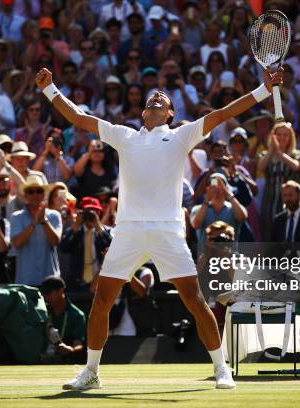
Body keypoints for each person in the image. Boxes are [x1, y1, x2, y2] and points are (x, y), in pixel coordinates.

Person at [34, 62, 282, 390]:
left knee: (194, 300)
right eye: (153, 97)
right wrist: (49, 89)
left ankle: (222, 368)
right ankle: (91, 371)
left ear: (169, 114)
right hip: (129, 231)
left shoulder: (181, 135)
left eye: (163, 99)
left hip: (167, 230)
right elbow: (79, 118)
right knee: (102, 300)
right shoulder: (123, 136)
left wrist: (265, 89)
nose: (157, 97)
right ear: (143, 114)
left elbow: (223, 112)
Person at [10, 175, 62, 286]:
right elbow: (17, 243)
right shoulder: (16, 217)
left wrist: (43, 221)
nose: (35, 195)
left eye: (39, 191)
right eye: (31, 191)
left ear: (44, 194)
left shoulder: (54, 216)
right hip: (25, 281)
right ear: (25, 195)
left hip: (50, 281)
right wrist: (34, 223)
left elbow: (55, 241)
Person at [59, 197, 112, 291]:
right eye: (87, 212)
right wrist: (76, 225)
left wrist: (98, 226)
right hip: (77, 284)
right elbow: (63, 247)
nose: (90, 215)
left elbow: (111, 248)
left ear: (99, 213)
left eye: (95, 212)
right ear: (81, 213)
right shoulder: (75, 231)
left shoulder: (105, 231)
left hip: (99, 284)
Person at [39, 276, 86, 363]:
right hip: (41, 358)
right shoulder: (41, 311)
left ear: (61, 291)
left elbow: (79, 344)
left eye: (48, 294)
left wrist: (70, 349)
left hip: (65, 360)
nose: (46, 298)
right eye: (44, 294)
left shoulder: (77, 315)